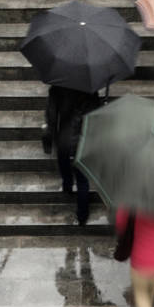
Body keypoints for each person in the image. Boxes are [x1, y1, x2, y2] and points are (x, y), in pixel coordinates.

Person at [44, 85, 101, 225]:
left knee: (63, 164)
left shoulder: (56, 88)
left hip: (64, 138)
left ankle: (67, 186)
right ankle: (82, 216)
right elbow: (95, 116)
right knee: (82, 180)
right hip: (83, 140)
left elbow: (51, 116)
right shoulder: (91, 90)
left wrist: (49, 137)